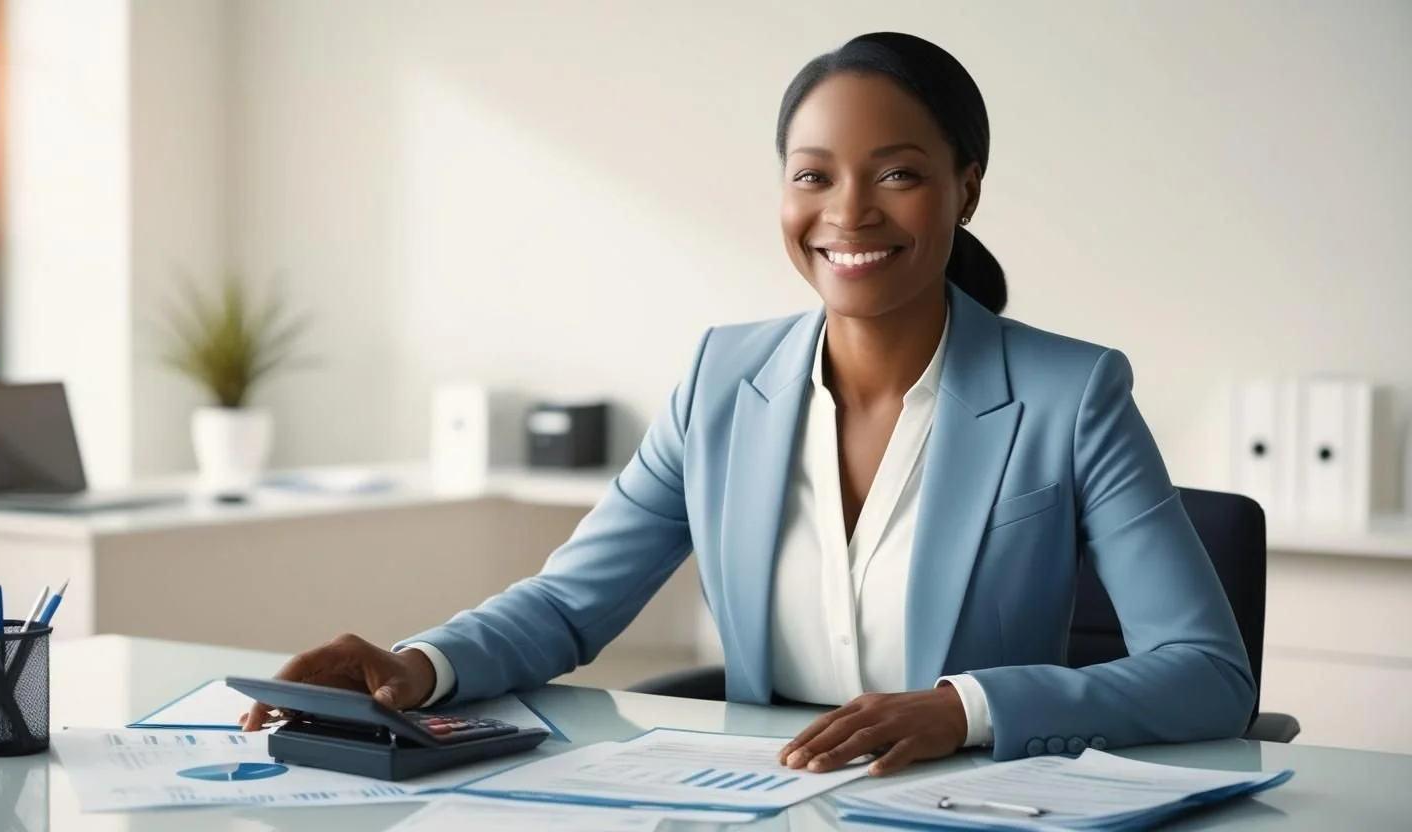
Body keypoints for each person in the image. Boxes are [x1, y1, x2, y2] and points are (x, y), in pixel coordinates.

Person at [242, 32, 1254, 775]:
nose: (848, 212)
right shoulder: (721, 380)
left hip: (970, 805)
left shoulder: (1070, 393)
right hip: (768, 799)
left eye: (897, 174)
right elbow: (567, 603)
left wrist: (962, 710)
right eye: (813, 176)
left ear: (966, 189)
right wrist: (414, 665)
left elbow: (1205, 670)